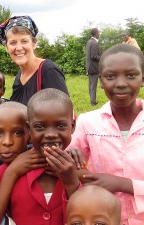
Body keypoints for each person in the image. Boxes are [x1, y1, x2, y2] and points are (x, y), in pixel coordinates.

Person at [68, 44, 144, 224]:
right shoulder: (88, 122)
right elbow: (69, 164)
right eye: (110, 76)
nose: (121, 83)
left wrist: (122, 184)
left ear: (142, 78)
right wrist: (72, 160)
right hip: (103, 219)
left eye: (131, 75)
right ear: (101, 81)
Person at [0, 89, 80, 225]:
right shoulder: (5, 173)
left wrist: (72, 183)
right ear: (29, 130)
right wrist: (12, 173)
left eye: (60, 125)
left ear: (73, 126)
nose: (51, 134)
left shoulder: (78, 168)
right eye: (40, 126)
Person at [0, 16, 69, 106]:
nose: (18, 48)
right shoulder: (19, 77)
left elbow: (64, 110)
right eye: (12, 43)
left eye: (24, 41)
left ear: (34, 44)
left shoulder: (48, 71)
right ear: (6, 47)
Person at [86, 28, 101, 106]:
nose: (99, 33)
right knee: (93, 85)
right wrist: (102, 57)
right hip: (93, 67)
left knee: (91, 85)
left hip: (89, 67)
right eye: (99, 32)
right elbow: (94, 56)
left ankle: (92, 100)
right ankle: (93, 102)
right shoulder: (94, 43)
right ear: (96, 33)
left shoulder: (89, 42)